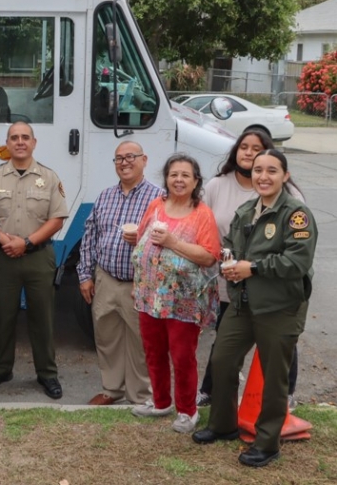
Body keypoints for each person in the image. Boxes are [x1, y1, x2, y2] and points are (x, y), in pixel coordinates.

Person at [193, 149, 317, 468]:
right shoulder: (247, 209)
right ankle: (223, 425)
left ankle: (267, 443)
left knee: (275, 377)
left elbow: (297, 262)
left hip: (280, 307)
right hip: (243, 303)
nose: (263, 176)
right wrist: (231, 263)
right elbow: (233, 245)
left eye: (272, 170)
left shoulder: (296, 214)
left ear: (285, 176)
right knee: (221, 361)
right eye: (259, 170)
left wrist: (254, 267)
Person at [196, 130, 303, 409]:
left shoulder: (291, 202)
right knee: (225, 345)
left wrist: (252, 267)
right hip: (230, 283)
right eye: (243, 147)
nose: (248, 152)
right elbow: (206, 225)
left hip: (274, 292)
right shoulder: (223, 188)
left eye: (256, 149)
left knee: (278, 347)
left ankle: (283, 399)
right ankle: (212, 393)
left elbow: (296, 257)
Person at [0, 121, 68, 399]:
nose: (20, 142)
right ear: (7, 143)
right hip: (3, 257)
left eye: (25, 137)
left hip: (38, 257)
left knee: (43, 319)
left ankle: (47, 374)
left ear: (34, 142)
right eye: (14, 137)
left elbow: (57, 219)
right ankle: (2, 368)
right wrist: (5, 240)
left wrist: (26, 243)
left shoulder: (49, 177)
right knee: (3, 316)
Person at [130, 154, 219, 434]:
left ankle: (187, 411)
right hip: (149, 295)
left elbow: (209, 256)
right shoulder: (156, 205)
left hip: (184, 302)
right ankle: (160, 402)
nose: (178, 180)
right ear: (166, 179)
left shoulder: (202, 213)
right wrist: (134, 238)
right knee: (153, 352)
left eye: (185, 175)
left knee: (182, 357)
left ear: (195, 181)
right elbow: (144, 235)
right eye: (173, 175)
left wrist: (172, 242)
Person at [76, 142, 162, 406]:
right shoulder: (105, 196)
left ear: (144, 160)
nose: (124, 163)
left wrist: (143, 238)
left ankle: (141, 396)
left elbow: (170, 240)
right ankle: (111, 390)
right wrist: (85, 275)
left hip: (140, 283)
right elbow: (90, 235)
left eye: (130, 157)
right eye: (118, 159)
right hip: (106, 279)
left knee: (141, 342)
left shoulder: (159, 198)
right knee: (106, 336)